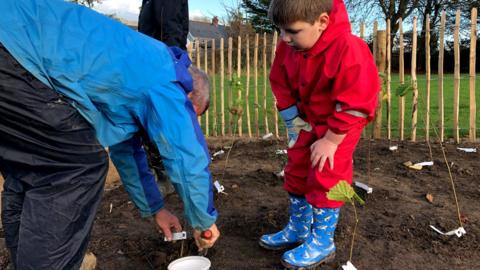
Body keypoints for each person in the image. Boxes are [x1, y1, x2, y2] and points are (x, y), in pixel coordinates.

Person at [0, 0, 219, 269]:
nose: (189, 122)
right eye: (192, 114)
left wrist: (156, 209)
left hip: (14, 36)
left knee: (32, 169)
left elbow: (125, 150)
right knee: (74, 168)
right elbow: (187, 156)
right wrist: (203, 220)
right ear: (188, 95)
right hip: (16, 49)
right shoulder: (167, 79)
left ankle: (26, 261)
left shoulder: (136, 69)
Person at [258, 0, 379, 269]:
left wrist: (332, 140)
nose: (284, 38)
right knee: (297, 167)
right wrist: (293, 122)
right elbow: (280, 82)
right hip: (306, 120)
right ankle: (299, 228)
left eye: (292, 31)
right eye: (280, 30)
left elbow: (358, 101)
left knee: (328, 173)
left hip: (341, 125)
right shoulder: (289, 47)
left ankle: (323, 241)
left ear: (322, 22)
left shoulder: (349, 48)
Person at [138, 0, 190, 196]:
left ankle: (171, 175)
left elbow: (172, 26)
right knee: (152, 119)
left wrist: (173, 63)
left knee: (165, 119)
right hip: (151, 62)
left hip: (161, 64)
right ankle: (162, 173)